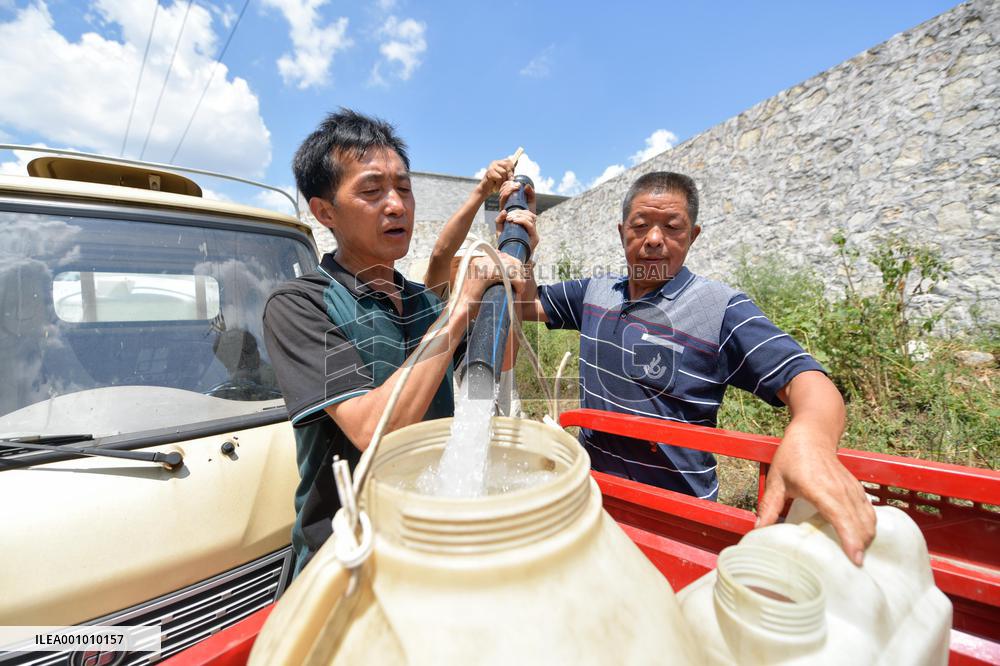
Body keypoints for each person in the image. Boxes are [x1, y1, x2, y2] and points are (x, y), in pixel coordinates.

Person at [518, 171, 876, 565]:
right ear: (622, 232)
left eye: (672, 227)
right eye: (641, 226)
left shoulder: (719, 309)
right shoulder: (596, 293)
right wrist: (525, 248)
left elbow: (807, 380)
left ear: (693, 235)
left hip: (676, 519)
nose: (654, 239)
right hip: (594, 498)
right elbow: (524, 303)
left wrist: (810, 441)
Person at [261, 109, 526, 574]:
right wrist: (460, 306)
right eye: (371, 190)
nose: (397, 205)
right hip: (350, 558)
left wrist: (513, 276)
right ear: (324, 212)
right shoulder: (301, 305)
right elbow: (373, 431)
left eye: (404, 188)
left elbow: (499, 362)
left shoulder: (423, 301)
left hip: (430, 537)